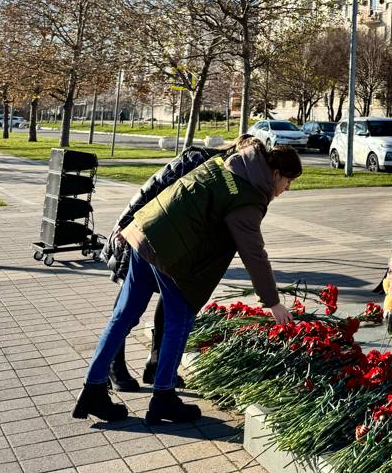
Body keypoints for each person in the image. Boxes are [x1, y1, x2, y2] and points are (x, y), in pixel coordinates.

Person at [73, 138, 299, 425]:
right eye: (288, 182)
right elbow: (254, 253)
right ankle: (164, 397)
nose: (286, 189)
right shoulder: (248, 197)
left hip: (143, 232)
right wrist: (273, 302)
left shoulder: (228, 163)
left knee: (123, 315)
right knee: (180, 320)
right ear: (276, 174)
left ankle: (93, 388)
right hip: (169, 250)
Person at [101, 140, 223, 391]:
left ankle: (156, 364)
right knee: (126, 308)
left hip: (175, 246)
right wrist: (126, 225)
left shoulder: (229, 176)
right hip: (140, 234)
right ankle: (114, 366)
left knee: (170, 298)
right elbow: (152, 188)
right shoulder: (200, 162)